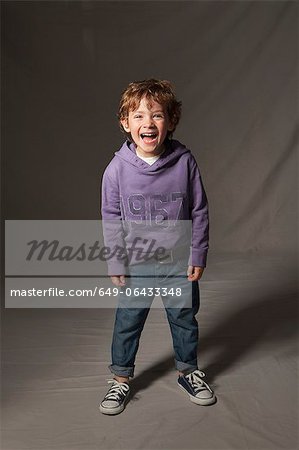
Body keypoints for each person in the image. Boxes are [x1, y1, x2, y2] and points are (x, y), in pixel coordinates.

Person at [99, 79, 216, 415]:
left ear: (171, 121)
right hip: (137, 263)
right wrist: (115, 260)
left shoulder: (184, 162)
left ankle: (188, 371)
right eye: (138, 116)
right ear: (125, 123)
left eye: (157, 115)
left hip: (178, 263)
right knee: (128, 321)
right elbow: (110, 216)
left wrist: (198, 253)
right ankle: (120, 380)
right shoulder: (117, 169)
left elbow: (199, 210)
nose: (147, 123)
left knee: (184, 319)